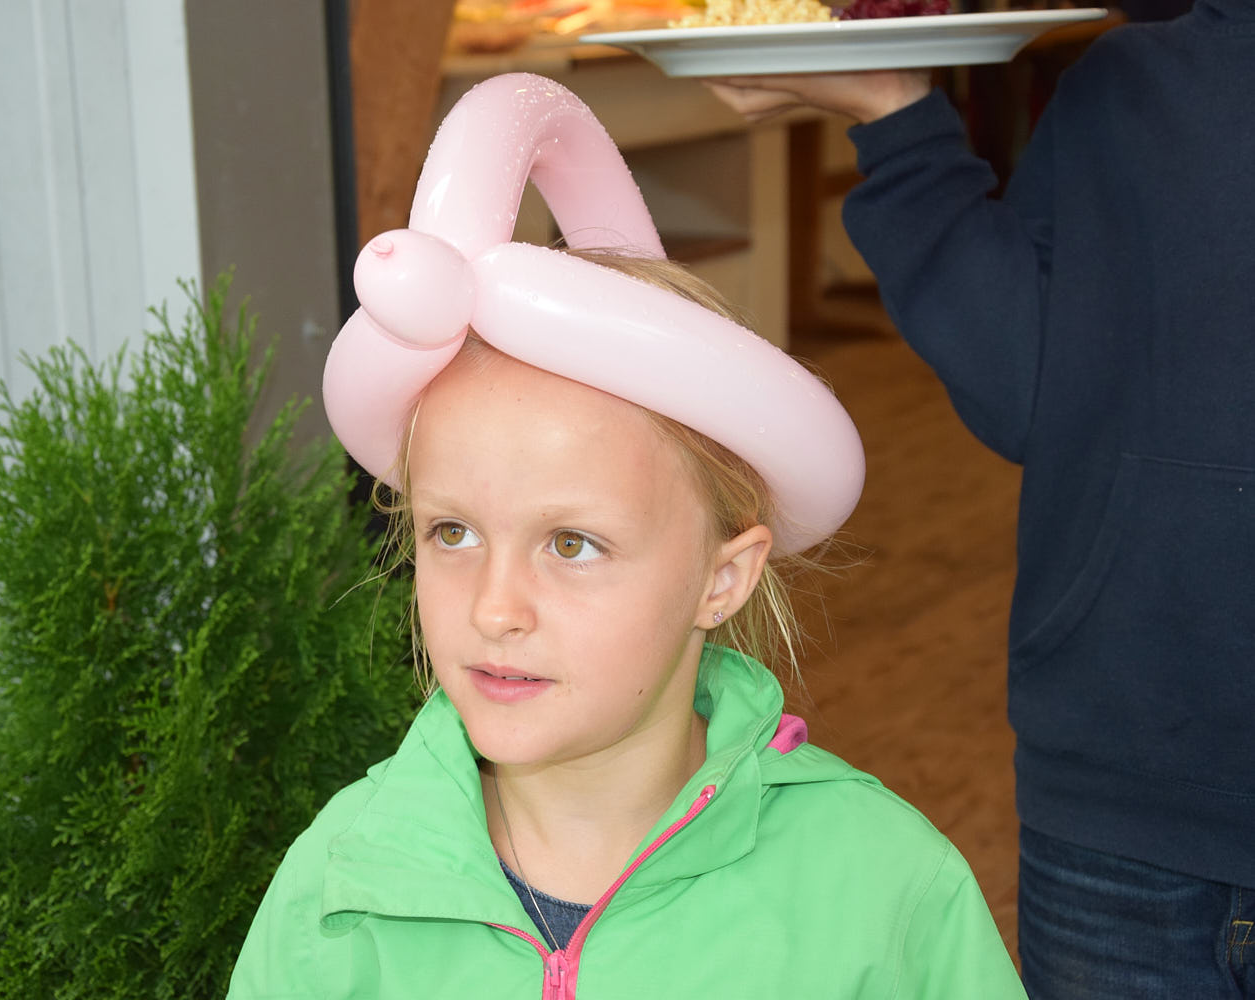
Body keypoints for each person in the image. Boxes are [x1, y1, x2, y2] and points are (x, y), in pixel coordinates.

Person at [225, 73, 1025, 998]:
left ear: (722, 579)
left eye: (571, 544)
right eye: (453, 532)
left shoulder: (883, 896)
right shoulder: (340, 891)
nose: (494, 609)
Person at [706, 1, 1255, 995]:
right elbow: (1032, 384)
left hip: (1122, 776)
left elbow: (1023, 383)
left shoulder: (1132, 84)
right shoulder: (1128, 85)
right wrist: (895, 115)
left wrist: (899, 121)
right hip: (1119, 793)